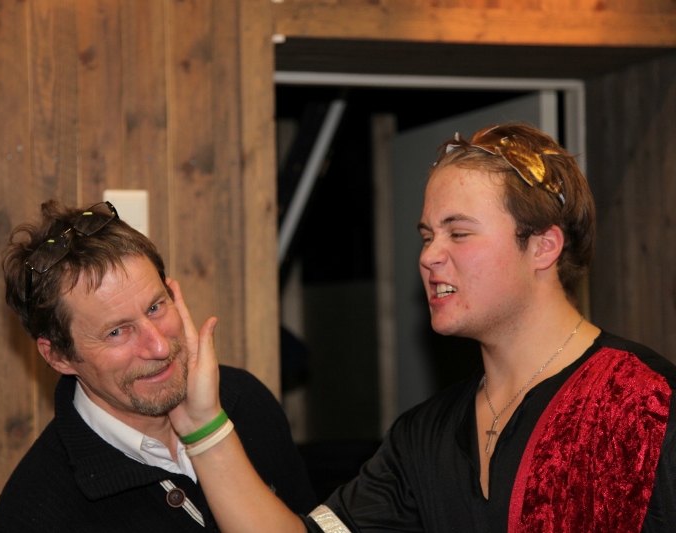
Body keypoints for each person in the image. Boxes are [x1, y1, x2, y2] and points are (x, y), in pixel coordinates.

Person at [167, 123, 676, 532]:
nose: (429, 256)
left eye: (459, 233)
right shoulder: (424, 436)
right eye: (428, 235)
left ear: (543, 246)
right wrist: (202, 424)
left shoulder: (644, 402)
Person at [0, 200, 316, 532]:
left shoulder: (246, 402)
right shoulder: (36, 512)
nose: (159, 347)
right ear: (59, 356)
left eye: (156, 307)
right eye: (117, 332)